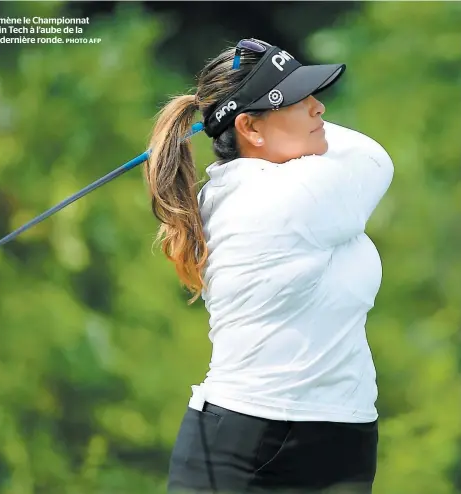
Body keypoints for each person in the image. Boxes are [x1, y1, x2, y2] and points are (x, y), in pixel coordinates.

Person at [143, 38, 394, 494]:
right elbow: (373, 157)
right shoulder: (283, 199)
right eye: (298, 100)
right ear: (251, 130)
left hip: (344, 437)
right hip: (250, 444)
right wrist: (238, 114)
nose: (320, 109)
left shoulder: (268, 186)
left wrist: (249, 116)